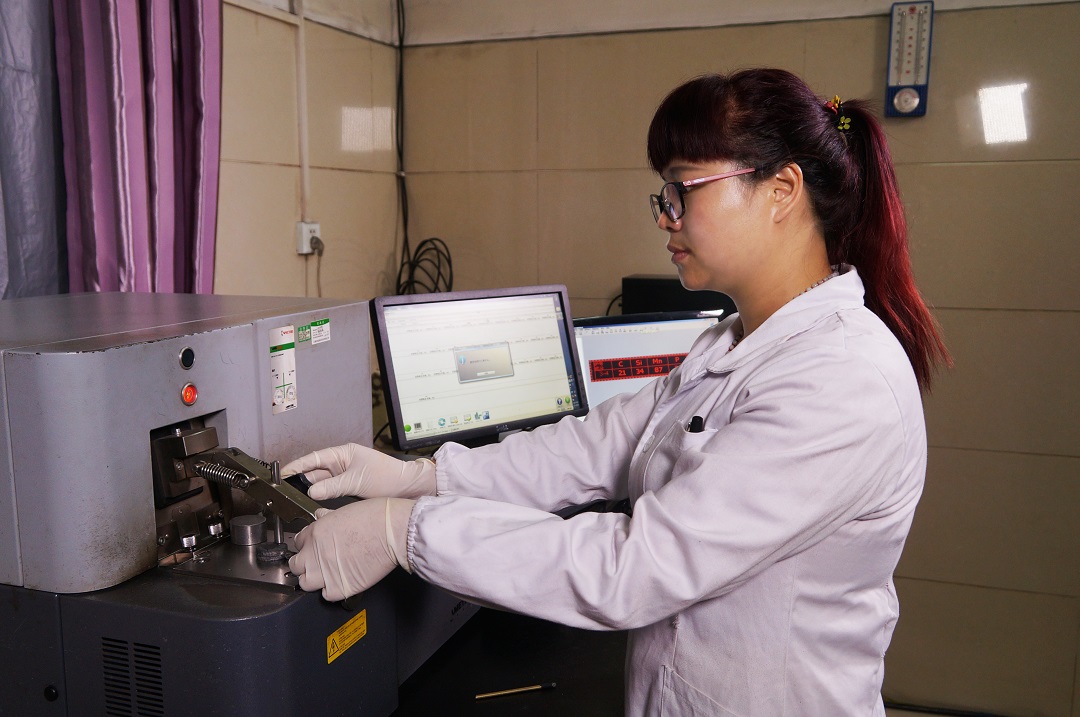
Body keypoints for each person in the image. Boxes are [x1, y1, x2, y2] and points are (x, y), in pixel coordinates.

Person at [284, 68, 951, 716]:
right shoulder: (731, 343)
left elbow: (634, 567)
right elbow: (592, 447)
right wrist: (420, 478)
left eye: (683, 189)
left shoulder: (841, 378)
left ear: (781, 190)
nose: (666, 216)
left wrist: (407, 532)